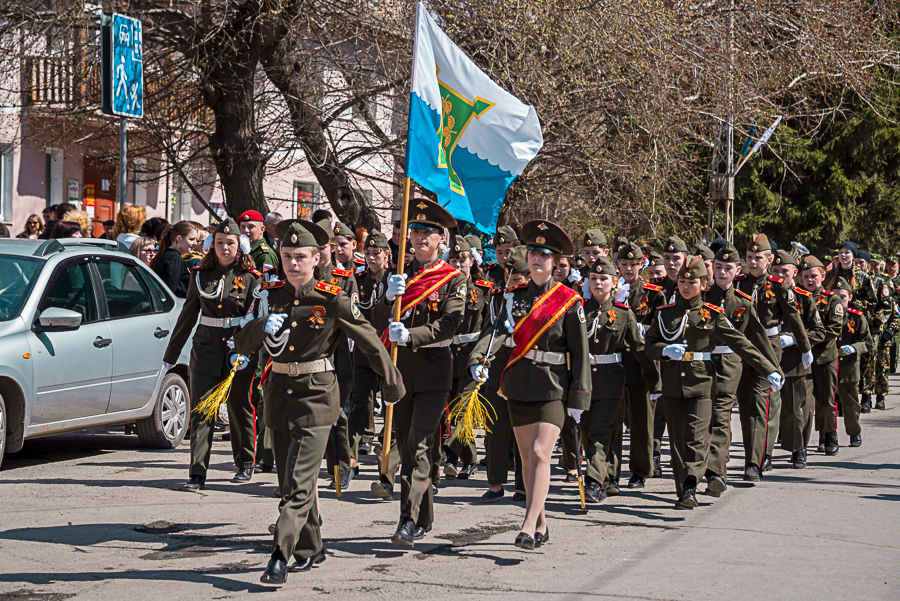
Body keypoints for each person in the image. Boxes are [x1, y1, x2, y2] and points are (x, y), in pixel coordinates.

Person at [234, 220, 404, 585]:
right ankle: (312, 547)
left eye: (300, 257)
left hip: (317, 397)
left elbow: (370, 340)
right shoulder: (268, 293)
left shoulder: (332, 297)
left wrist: (391, 383)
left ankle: (280, 554)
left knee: (296, 484)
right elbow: (241, 343)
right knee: (289, 478)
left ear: (316, 259)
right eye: (287, 256)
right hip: (279, 394)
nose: (293, 263)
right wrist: (260, 325)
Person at [469, 220, 588, 549]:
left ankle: (526, 525)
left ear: (555, 262)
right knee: (527, 458)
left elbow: (579, 352)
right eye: (534, 252)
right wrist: (478, 361)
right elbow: (495, 334)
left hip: (553, 387)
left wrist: (579, 398)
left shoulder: (569, 300)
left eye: (545, 255)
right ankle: (542, 523)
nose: (537, 259)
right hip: (519, 383)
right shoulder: (512, 297)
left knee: (540, 453)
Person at [645, 256, 783, 509]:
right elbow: (650, 345)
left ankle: (690, 485)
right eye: (683, 281)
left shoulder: (712, 314)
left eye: (693, 282)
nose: (686, 286)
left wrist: (768, 368)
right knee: (677, 441)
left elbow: (740, 342)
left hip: (702, 384)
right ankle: (683, 490)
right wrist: (664, 350)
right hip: (673, 385)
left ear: (703, 283)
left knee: (697, 438)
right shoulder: (665, 314)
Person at [373, 199, 466, 548]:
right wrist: (386, 297)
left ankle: (407, 519)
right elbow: (375, 323)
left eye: (428, 231)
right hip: (400, 370)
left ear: (442, 238)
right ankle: (424, 515)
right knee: (406, 448)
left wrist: (413, 335)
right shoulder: (399, 274)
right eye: (415, 230)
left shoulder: (454, 279)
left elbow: (450, 323)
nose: (420, 236)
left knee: (421, 445)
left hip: (433, 368)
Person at [162, 219, 262, 491]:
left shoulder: (252, 278)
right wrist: (171, 353)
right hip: (205, 349)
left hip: (238, 349)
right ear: (212, 246)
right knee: (202, 410)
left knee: (239, 406)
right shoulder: (200, 274)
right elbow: (188, 316)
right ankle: (197, 473)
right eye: (220, 243)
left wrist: (253, 350)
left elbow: (256, 320)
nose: (225, 248)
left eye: (230, 243)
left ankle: (244, 463)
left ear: (239, 246)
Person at [580, 256, 658, 502]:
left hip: (611, 380)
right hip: (582, 381)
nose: (598, 283)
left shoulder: (623, 314)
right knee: (587, 432)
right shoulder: (578, 309)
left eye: (604, 279)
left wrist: (654, 380)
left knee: (599, 432)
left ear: (614, 283)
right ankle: (605, 477)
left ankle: (593, 482)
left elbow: (639, 348)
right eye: (594, 278)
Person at [734, 234, 812, 480]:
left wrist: (805, 348)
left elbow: (794, 319)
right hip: (742, 347)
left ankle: (754, 463)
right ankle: (755, 454)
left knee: (760, 403)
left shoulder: (779, 286)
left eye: (758, 258)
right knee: (746, 406)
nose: (753, 262)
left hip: (769, 348)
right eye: (749, 257)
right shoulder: (739, 284)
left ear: (769, 260)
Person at [703, 244, 779, 494]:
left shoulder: (743, 302)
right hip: (704, 365)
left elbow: (758, 337)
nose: (722, 272)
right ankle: (705, 469)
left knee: (733, 413)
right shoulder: (702, 297)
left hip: (735, 363)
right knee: (709, 417)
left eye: (728, 268)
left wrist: (772, 369)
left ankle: (738, 467)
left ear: (737, 271)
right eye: (718, 267)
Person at [472, 245, 528, 503]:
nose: (510, 283)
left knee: (521, 430)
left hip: (523, 369)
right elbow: (490, 330)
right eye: (508, 277)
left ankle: (523, 485)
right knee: (494, 427)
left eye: (516, 278)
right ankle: (495, 482)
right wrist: (478, 359)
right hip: (498, 368)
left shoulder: (534, 299)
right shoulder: (497, 297)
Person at [615, 242, 665, 487]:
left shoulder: (653, 293)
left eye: (633, 265)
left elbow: (659, 328)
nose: (628, 269)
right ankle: (609, 473)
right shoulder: (608, 289)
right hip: (613, 362)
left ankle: (640, 471)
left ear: (641, 265)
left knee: (641, 421)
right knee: (612, 421)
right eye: (623, 264)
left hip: (640, 362)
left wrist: (634, 327)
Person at [442, 236, 491, 480]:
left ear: (472, 262)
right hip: (447, 355)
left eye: (463, 260)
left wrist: (484, 355)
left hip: (472, 355)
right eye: (454, 260)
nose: (458, 265)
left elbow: (490, 325)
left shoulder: (483, 290)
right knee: (453, 410)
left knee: (464, 408)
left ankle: (450, 452)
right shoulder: (441, 289)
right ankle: (469, 459)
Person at [316, 219, 359, 491]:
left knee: (337, 416)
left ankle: (342, 467)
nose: (318, 254)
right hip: (307, 355)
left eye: (323, 248)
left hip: (338, 355)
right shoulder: (300, 277)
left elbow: (354, 319)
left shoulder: (343, 279)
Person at [348, 230, 392, 484]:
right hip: (364, 348)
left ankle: (386, 458)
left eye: (377, 253)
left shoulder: (395, 279)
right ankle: (350, 460)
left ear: (387, 255)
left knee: (390, 404)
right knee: (359, 401)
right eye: (368, 252)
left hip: (387, 349)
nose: (372, 257)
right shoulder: (358, 278)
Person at [771, 252, 820, 469]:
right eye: (775, 271)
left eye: (785, 272)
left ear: (794, 273)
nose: (780, 275)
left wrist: (796, 339)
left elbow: (818, 331)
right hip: (769, 360)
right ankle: (763, 454)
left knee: (796, 410)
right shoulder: (764, 295)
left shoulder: (804, 298)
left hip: (795, 362)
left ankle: (799, 448)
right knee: (770, 411)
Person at [798, 256, 843, 455]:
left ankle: (829, 434)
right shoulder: (795, 298)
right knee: (803, 402)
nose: (809, 280)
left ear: (823, 276)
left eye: (814, 276)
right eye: (805, 276)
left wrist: (803, 339)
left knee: (826, 400)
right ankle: (800, 442)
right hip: (800, 359)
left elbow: (834, 328)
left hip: (824, 357)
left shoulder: (832, 299)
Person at [833, 277, 873, 448]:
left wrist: (854, 347)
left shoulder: (857, 317)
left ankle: (854, 433)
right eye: (835, 296)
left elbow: (868, 342)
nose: (839, 300)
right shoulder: (825, 315)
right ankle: (828, 437)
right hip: (828, 365)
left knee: (850, 404)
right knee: (826, 405)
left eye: (842, 296)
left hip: (849, 366)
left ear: (850, 297)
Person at [151, 222, 198, 299]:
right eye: (191, 239)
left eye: (196, 239)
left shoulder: (169, 255)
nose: (195, 243)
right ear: (179, 238)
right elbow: (169, 291)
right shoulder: (175, 258)